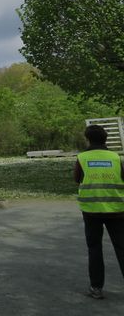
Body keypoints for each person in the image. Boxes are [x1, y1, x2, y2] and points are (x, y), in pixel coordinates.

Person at [74, 124, 124, 300]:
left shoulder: (82, 157)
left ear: (87, 139)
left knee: (94, 248)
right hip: (117, 210)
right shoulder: (116, 157)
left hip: (91, 210)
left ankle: (96, 288)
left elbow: (76, 178)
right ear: (106, 139)